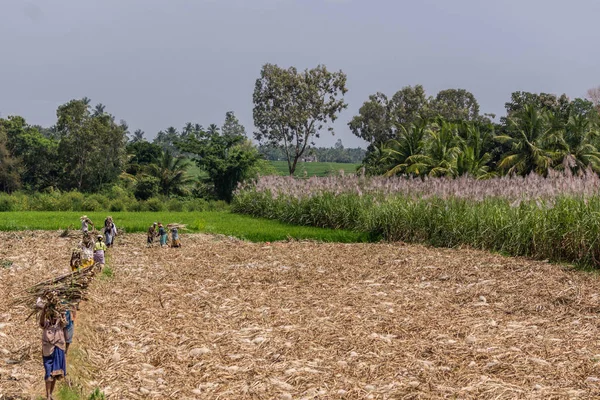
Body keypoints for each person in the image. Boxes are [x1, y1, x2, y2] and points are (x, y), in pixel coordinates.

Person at [39, 304, 67, 400]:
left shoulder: (59, 324)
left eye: (55, 316)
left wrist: (62, 313)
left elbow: (65, 323)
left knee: (55, 374)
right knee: (48, 372)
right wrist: (44, 311)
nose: (54, 318)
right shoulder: (46, 324)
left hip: (58, 348)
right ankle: (47, 395)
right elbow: (41, 322)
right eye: (52, 317)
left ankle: (50, 394)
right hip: (48, 350)